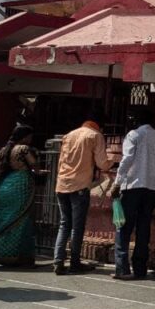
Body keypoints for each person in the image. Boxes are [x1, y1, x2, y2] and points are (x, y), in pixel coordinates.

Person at [53, 108, 114, 275]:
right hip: (79, 186)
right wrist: (114, 160)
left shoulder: (69, 135)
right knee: (77, 227)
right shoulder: (95, 136)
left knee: (64, 224)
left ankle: (58, 260)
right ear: (100, 125)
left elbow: (60, 162)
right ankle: (74, 262)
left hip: (62, 184)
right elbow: (102, 164)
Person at [112, 107, 155, 280]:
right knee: (144, 228)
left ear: (136, 120)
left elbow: (126, 160)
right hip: (152, 186)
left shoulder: (133, 135)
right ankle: (140, 268)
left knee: (123, 227)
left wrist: (116, 183)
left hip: (133, 186)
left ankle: (122, 268)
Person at [0, 125, 40, 267]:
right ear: (24, 136)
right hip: (20, 187)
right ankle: (14, 256)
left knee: (3, 220)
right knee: (19, 222)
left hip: (4, 187)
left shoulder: (4, 150)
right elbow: (35, 165)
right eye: (29, 136)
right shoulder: (23, 149)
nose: (30, 139)